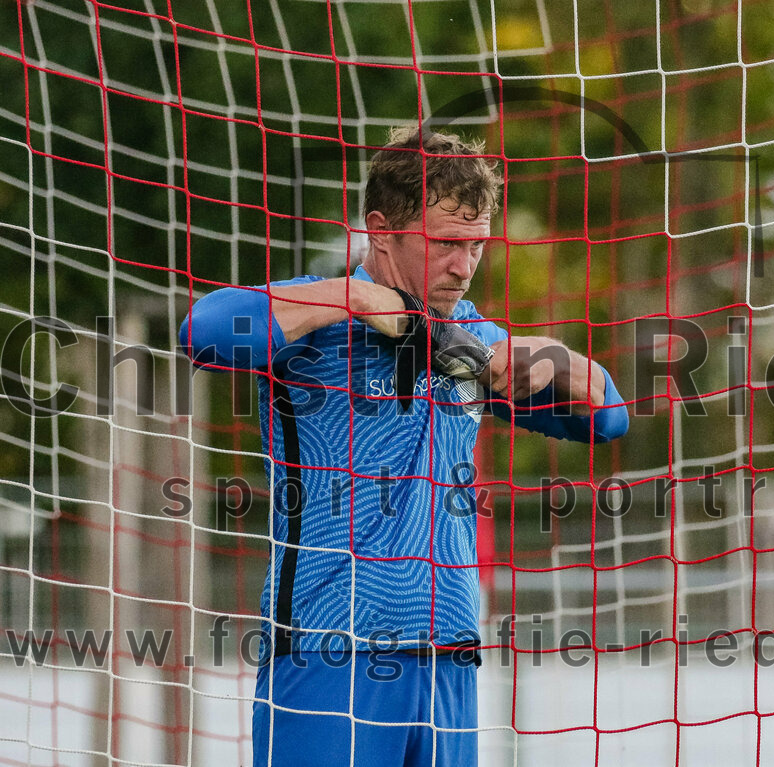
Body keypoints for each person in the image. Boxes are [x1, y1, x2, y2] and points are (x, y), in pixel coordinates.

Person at [179, 127, 629, 766]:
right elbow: (203, 330)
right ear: (380, 229)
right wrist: (359, 298)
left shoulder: (473, 343)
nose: (464, 265)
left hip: (450, 660)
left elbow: (608, 418)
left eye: (475, 246)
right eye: (445, 243)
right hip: (329, 650)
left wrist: (553, 357)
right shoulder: (313, 320)